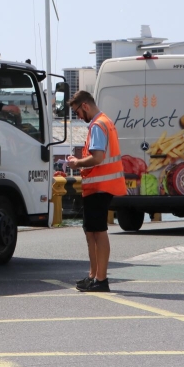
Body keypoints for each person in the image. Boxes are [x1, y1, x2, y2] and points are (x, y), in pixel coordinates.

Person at [65, 90, 126, 292]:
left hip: (100, 187)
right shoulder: (104, 121)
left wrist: (76, 163)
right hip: (99, 187)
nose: (78, 118)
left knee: (98, 232)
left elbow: (97, 158)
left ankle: (100, 279)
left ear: (85, 106)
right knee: (92, 231)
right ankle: (94, 276)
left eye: (77, 113)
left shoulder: (98, 125)